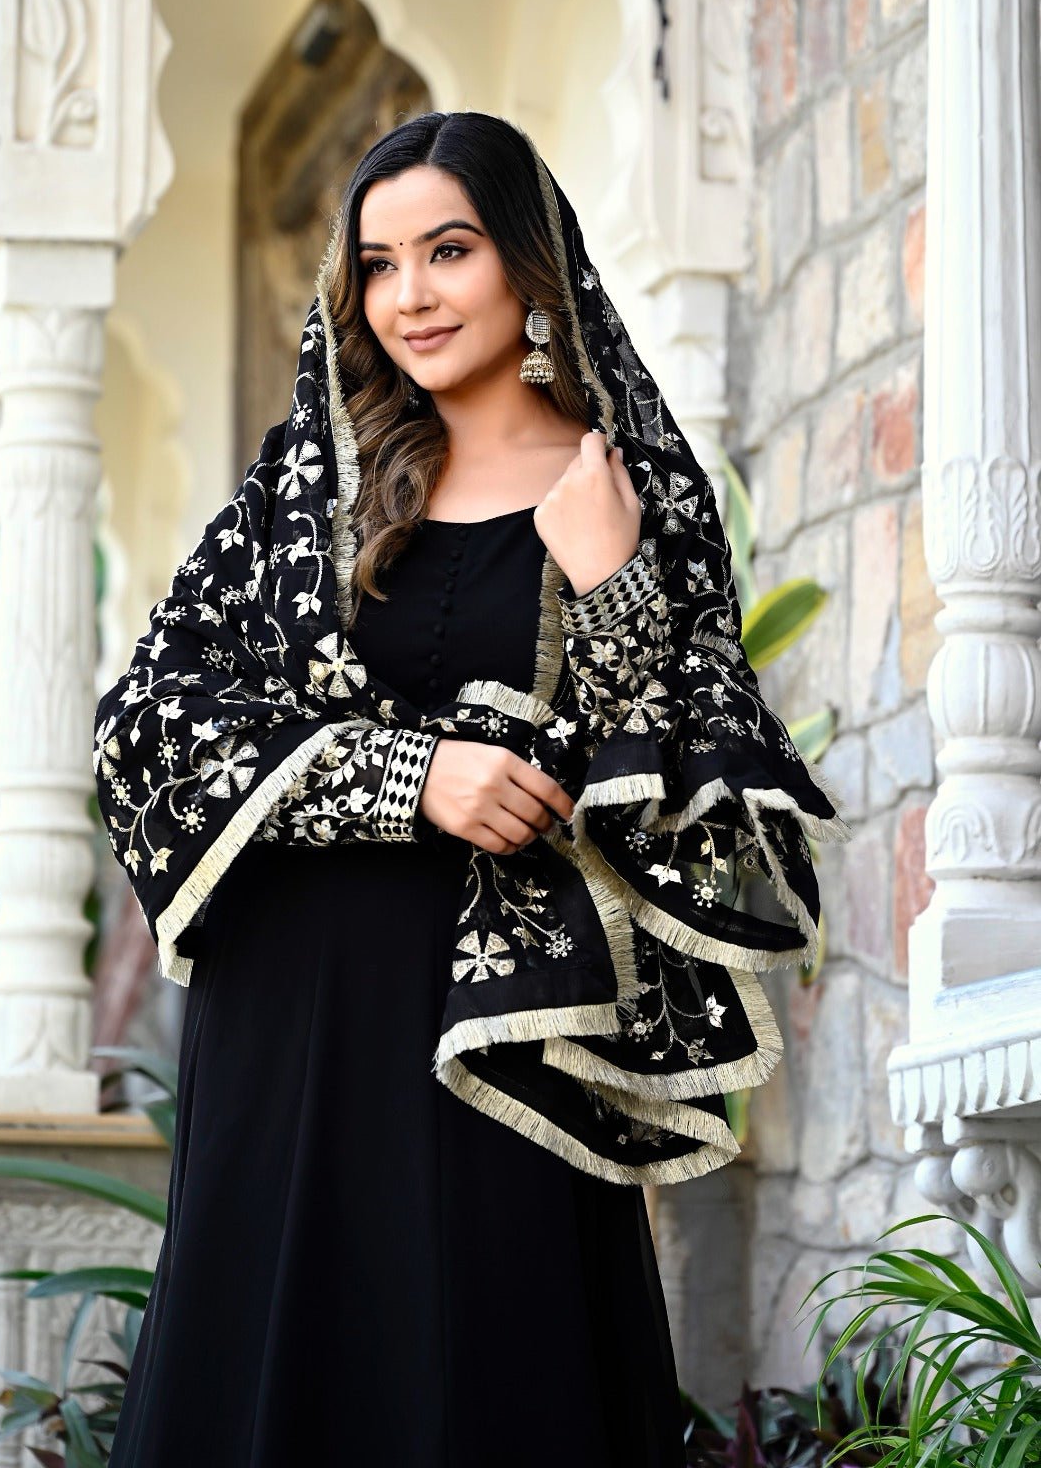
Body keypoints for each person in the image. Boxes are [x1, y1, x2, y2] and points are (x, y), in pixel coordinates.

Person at [95, 110, 849, 1466]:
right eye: (379, 266)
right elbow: (149, 723)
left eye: (448, 251)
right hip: (291, 1027)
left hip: (499, 1044)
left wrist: (612, 582)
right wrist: (407, 773)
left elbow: (695, 791)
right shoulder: (312, 491)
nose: (411, 297)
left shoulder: (625, 487)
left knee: (491, 1376)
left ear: (528, 260)